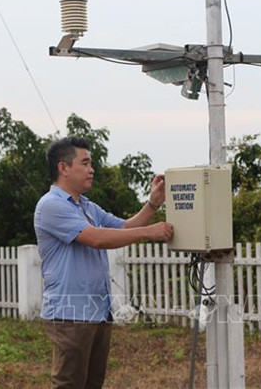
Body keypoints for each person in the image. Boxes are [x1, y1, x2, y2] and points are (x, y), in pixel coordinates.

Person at [34, 136, 174, 389]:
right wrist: (149, 233)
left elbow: (124, 227)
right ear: (63, 168)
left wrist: (153, 204)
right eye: (85, 163)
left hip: (96, 311)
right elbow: (96, 238)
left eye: (91, 163)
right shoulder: (51, 206)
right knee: (69, 383)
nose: (91, 169)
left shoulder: (86, 206)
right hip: (70, 314)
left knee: (92, 383)